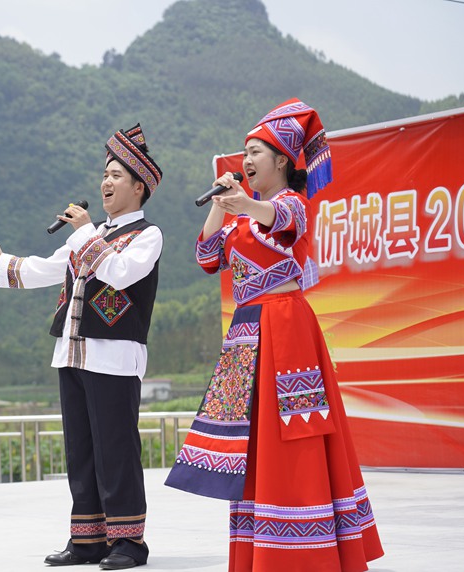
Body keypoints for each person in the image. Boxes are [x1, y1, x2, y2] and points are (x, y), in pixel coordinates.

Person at [165, 99, 384, 571]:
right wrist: (222, 206)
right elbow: (206, 257)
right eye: (243, 153)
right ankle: (261, 550)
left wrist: (244, 203)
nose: (245, 161)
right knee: (252, 441)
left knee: (294, 433)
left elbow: (284, 221)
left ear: (282, 160)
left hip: (286, 328)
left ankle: (308, 546)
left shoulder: (290, 204)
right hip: (247, 333)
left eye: (255, 153)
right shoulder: (242, 217)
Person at [0, 124, 163, 570]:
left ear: (139, 186)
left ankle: (129, 542)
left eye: (117, 175)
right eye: (105, 173)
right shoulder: (88, 236)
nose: (106, 182)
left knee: (116, 447)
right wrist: (6, 262)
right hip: (72, 354)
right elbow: (49, 268)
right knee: (81, 448)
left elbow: (117, 273)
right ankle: (88, 538)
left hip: (113, 357)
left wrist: (87, 231)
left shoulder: (147, 236)